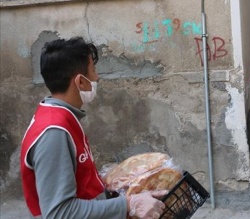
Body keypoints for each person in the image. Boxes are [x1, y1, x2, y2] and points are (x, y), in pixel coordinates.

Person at [20, 37, 167, 219]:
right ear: (80, 82)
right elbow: (59, 213)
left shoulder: (61, 116)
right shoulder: (54, 132)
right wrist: (129, 204)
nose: (97, 77)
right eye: (93, 70)